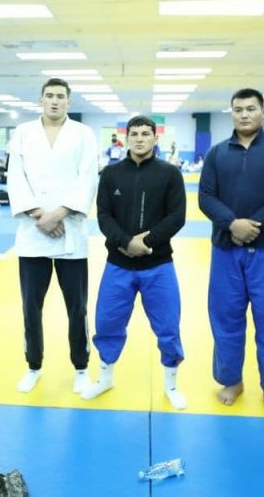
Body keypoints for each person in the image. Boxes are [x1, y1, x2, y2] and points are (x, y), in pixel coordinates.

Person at [199, 88, 264, 415]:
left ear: (263, 112)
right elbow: (206, 197)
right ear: (231, 113)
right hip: (225, 250)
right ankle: (231, 380)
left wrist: (253, 225)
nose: (244, 114)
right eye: (238, 109)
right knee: (226, 318)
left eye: (251, 108)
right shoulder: (217, 153)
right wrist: (232, 224)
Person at [82, 115, 188, 409]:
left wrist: (148, 242)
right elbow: (104, 216)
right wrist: (126, 242)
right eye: (134, 134)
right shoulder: (111, 174)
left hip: (159, 265)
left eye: (145, 133)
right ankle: (105, 378)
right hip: (118, 264)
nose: (140, 139)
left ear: (155, 138)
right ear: (126, 138)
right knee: (107, 322)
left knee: (168, 325)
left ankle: (171, 385)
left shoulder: (170, 174)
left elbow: (176, 216)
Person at [7, 77, 99, 394]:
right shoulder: (23, 133)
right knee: (30, 307)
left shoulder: (83, 133)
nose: (55, 101)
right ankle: (33, 365)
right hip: (33, 234)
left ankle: (81, 367)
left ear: (69, 102)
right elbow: (15, 177)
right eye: (50, 96)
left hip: (70, 231)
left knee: (78, 307)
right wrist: (40, 215)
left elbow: (88, 178)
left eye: (61, 96)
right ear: (41, 100)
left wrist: (58, 214)